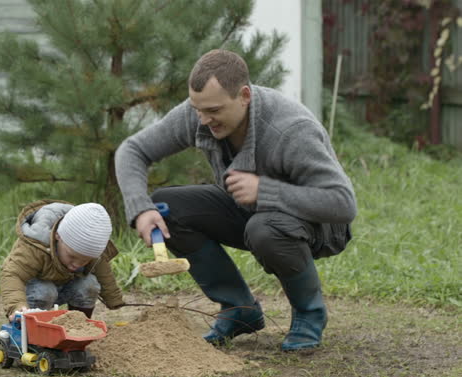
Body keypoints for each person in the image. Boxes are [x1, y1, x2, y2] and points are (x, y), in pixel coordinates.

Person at [115, 49, 357, 351]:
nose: (203, 120)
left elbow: (343, 203)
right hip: (251, 209)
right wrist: (140, 209)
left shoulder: (290, 130)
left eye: (213, 111)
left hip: (317, 223)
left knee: (264, 228)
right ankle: (239, 310)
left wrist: (265, 190)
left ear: (244, 95)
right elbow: (133, 150)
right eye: (197, 109)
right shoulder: (202, 112)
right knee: (168, 208)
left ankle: (309, 314)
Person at [0, 200, 125, 320]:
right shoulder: (35, 244)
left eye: (85, 261)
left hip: (63, 286)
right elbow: (12, 274)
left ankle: (79, 326)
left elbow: (103, 272)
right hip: (34, 293)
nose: (76, 265)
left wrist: (114, 300)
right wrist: (16, 306)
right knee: (45, 291)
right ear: (57, 236)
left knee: (89, 285)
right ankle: (29, 329)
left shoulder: (91, 249)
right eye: (72, 257)